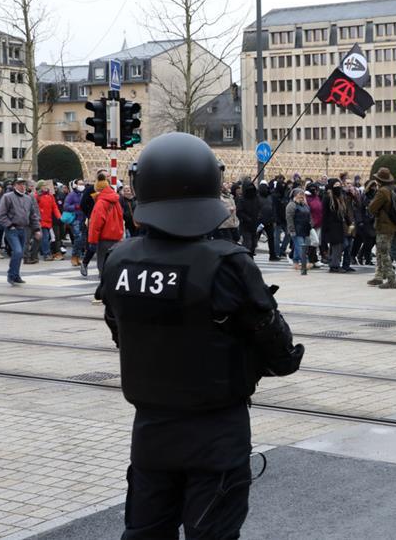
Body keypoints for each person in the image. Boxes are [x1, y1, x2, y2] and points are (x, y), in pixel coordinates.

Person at [96, 132, 303, 539]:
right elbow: (281, 354)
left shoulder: (120, 259)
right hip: (216, 434)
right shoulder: (228, 265)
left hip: (151, 433)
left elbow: (120, 332)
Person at [0, 176, 41, 285]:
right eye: (20, 184)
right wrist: (9, 225)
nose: (22, 186)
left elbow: (33, 215)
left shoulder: (28, 198)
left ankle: (16, 275)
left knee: (20, 254)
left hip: (24, 229)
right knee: (18, 251)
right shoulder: (7, 197)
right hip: (12, 229)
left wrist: (36, 229)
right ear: (15, 185)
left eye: (24, 184)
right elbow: (1, 215)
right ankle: (11, 275)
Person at [85, 176, 123, 278]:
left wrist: (92, 240)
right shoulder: (116, 200)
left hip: (104, 238)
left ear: (99, 189)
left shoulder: (101, 202)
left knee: (102, 265)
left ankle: (105, 288)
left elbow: (96, 224)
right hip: (116, 237)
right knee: (113, 265)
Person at [367, 168, 396, 289]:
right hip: (391, 225)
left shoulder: (382, 192)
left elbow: (372, 207)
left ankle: (391, 279)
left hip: (383, 225)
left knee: (383, 252)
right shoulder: (393, 189)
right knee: (381, 252)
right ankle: (378, 276)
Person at [322, 178, 353, 273]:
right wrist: (325, 227)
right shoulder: (327, 197)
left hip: (339, 225)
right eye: (335, 186)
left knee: (341, 245)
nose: (338, 187)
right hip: (332, 226)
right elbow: (325, 213)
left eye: (339, 185)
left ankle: (333, 262)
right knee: (337, 246)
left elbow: (344, 212)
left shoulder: (340, 197)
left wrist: (349, 222)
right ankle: (334, 265)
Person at [35, 180, 62, 261]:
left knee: (46, 238)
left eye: (46, 186)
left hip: (48, 220)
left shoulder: (50, 196)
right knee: (45, 237)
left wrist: (59, 217)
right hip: (40, 220)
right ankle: (46, 254)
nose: (46, 187)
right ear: (40, 187)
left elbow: (54, 207)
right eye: (44, 186)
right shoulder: (37, 196)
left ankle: (39, 252)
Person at [286, 188, 312, 269]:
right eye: (299, 194)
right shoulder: (291, 205)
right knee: (300, 247)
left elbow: (309, 216)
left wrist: (311, 223)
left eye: (302, 194)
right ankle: (305, 262)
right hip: (296, 230)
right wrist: (291, 230)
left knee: (298, 246)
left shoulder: (304, 205)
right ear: (294, 195)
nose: (301, 196)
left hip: (305, 229)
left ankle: (296, 262)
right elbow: (289, 218)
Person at [64, 179, 87, 266]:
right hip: (75, 219)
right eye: (80, 184)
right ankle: (74, 256)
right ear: (76, 185)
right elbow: (66, 206)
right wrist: (76, 207)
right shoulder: (71, 195)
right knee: (78, 238)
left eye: (83, 184)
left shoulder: (84, 194)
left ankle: (78, 256)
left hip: (84, 219)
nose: (82, 185)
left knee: (83, 239)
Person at [236, 179, 261, 255]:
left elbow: (259, 208)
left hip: (254, 225)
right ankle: (246, 259)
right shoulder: (242, 199)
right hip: (245, 226)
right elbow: (239, 212)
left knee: (253, 244)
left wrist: (259, 216)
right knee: (247, 244)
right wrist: (247, 218)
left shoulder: (256, 198)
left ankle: (250, 257)